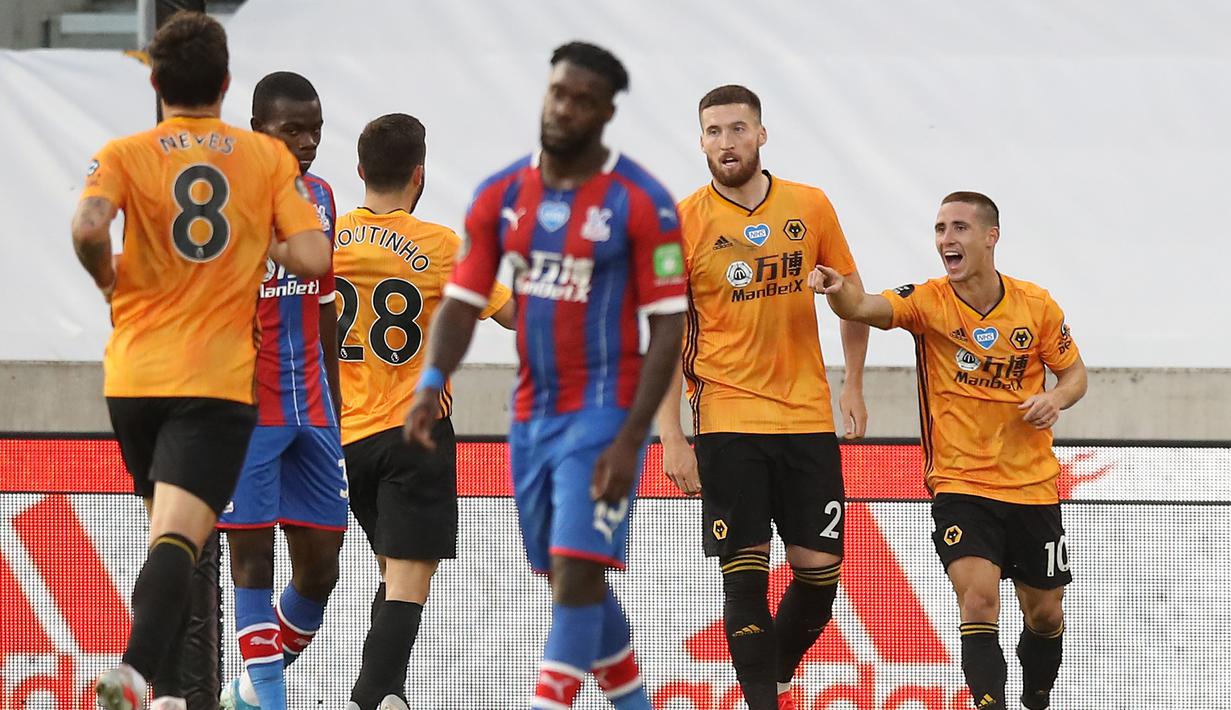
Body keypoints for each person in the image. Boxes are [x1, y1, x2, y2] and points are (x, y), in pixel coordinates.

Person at [404, 42, 686, 710]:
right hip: (530, 417)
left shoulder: (642, 200)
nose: (563, 108)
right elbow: (464, 300)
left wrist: (630, 439)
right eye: (557, 92)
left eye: (581, 99)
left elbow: (669, 326)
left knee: (577, 568)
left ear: (606, 111)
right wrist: (430, 380)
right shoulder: (501, 193)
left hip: (605, 411)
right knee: (568, 576)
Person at [69, 11, 330, 710]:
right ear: (225, 83)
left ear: (154, 81)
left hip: (131, 378)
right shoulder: (263, 160)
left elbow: (89, 226)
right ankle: (135, 674)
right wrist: (261, 245)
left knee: (170, 535)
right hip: (212, 383)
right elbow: (312, 257)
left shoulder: (123, 152)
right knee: (180, 541)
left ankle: (168, 695)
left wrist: (105, 278)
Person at [808, 191, 1087, 709]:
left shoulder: (1036, 305)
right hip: (960, 486)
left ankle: (1036, 697)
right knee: (978, 599)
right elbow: (865, 307)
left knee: (1045, 613)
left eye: (958, 228)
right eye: (939, 229)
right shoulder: (929, 300)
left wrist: (1054, 398)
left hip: (1032, 486)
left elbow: (1075, 374)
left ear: (990, 237)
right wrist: (837, 290)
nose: (945, 239)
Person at [653, 84, 869, 710]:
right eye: (714, 132)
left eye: (738, 129)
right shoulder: (680, 222)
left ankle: (771, 672)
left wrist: (853, 381)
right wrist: (673, 437)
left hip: (806, 414)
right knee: (743, 575)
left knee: (819, 572)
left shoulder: (811, 204)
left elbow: (853, 297)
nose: (727, 142)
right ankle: (762, 701)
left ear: (761, 135)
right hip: (726, 416)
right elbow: (661, 338)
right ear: (700, 141)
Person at [333, 113, 514, 710]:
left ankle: (389, 693)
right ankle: (372, 697)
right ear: (420, 175)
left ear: (359, 171)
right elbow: (512, 314)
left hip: (346, 437)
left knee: (393, 575)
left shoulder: (327, 238)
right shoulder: (439, 245)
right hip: (417, 430)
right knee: (410, 581)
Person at [216, 71, 346, 710]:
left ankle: (246, 687)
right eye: (294, 129)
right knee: (253, 564)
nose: (309, 141)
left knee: (323, 567)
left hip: (313, 403)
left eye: (316, 129)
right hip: (248, 409)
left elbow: (323, 301)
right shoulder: (225, 198)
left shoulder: (320, 195)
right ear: (258, 127)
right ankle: (269, 698)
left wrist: (337, 393)